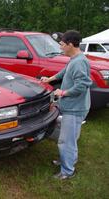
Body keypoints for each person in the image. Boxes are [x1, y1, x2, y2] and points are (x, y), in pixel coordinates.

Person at [41, 30, 92, 180]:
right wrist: (49, 79)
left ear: (70, 44)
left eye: (62, 44)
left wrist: (62, 93)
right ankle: (68, 160)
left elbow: (82, 86)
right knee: (70, 139)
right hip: (73, 106)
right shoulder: (74, 59)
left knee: (66, 141)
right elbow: (65, 72)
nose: (60, 47)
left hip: (75, 108)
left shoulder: (80, 62)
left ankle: (67, 171)